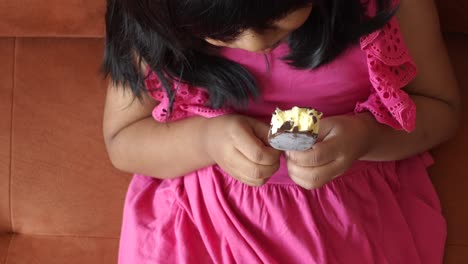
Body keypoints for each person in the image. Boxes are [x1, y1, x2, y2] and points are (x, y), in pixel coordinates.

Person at [102, 0, 460, 263]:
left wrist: (366, 136)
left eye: (275, 16)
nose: (255, 43)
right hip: (201, 221)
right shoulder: (152, 16)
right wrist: (207, 140)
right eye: (219, 33)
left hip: (352, 215)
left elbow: (442, 110)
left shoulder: (392, 7)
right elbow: (123, 141)